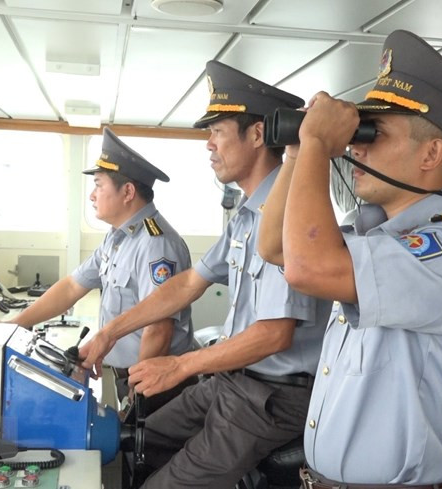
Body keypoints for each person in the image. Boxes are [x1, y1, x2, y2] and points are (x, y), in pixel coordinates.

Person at [258, 30, 442, 487]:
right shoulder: (368, 230)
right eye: (358, 133)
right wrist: (297, 150)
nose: (357, 146)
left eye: (375, 133)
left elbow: (305, 266)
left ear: (432, 153)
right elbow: (274, 246)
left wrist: (318, 144)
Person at [79, 61, 330, 489]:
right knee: (135, 444)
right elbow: (189, 283)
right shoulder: (245, 217)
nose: (208, 144)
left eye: (217, 131)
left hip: (273, 395)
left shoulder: (290, 215)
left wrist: (178, 366)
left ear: (256, 135)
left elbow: (274, 335)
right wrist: (109, 333)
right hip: (234, 381)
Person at [9, 127, 195, 408]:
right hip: (130, 376)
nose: (92, 196)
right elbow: (73, 286)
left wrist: (137, 399)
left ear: (128, 192)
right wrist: (12, 326)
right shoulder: (117, 237)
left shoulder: (156, 244)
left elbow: (158, 328)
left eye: (98, 185)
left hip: (156, 384)